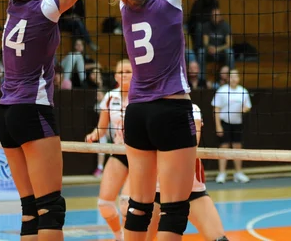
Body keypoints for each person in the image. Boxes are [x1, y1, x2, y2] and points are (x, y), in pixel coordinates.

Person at [0, 0, 129, 240]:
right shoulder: (45, 8)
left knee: (30, 209)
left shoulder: (15, 5)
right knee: (52, 207)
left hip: (6, 113)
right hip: (33, 112)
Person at [105, 0, 222, 240]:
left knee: (139, 206)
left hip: (136, 112)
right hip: (171, 110)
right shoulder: (168, 2)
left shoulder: (127, 10)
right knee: (174, 208)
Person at [147, 103, 229, 241]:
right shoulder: (148, 109)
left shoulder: (192, 108)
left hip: (192, 189)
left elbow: (192, 142)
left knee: (219, 239)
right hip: (157, 190)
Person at [86, 59, 133, 241]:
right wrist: (93, 135)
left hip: (140, 154)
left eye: (128, 71)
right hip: (119, 151)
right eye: (121, 72)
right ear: (115, 76)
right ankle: (118, 236)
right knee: (104, 203)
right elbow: (101, 128)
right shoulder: (110, 97)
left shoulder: (143, 96)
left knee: (127, 204)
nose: (124, 75)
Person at [212, 68, 252, 184]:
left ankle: (238, 173)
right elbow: (216, 109)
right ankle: (222, 173)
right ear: (228, 78)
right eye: (232, 76)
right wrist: (218, 126)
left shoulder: (243, 91)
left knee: (237, 147)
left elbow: (248, 106)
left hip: (237, 123)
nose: (234, 79)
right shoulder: (222, 91)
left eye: (236, 76)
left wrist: (245, 109)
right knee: (224, 147)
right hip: (225, 122)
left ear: (239, 78)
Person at [197, 8, 235, 81]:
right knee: (201, 52)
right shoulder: (206, 26)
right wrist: (209, 47)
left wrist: (218, 49)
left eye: (217, 15)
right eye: (214, 16)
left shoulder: (225, 26)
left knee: (230, 52)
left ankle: (231, 77)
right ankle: (201, 79)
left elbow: (229, 43)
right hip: (209, 50)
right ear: (211, 17)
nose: (215, 17)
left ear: (220, 16)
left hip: (221, 51)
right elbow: (205, 42)